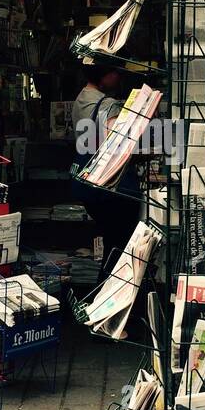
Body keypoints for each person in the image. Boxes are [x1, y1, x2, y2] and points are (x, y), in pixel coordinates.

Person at [70, 63, 138, 276]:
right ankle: (106, 295)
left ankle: (103, 294)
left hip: (90, 185)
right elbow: (118, 144)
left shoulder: (80, 99)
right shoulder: (108, 105)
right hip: (111, 188)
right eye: (115, 72)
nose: (118, 78)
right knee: (120, 246)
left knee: (112, 242)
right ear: (104, 74)